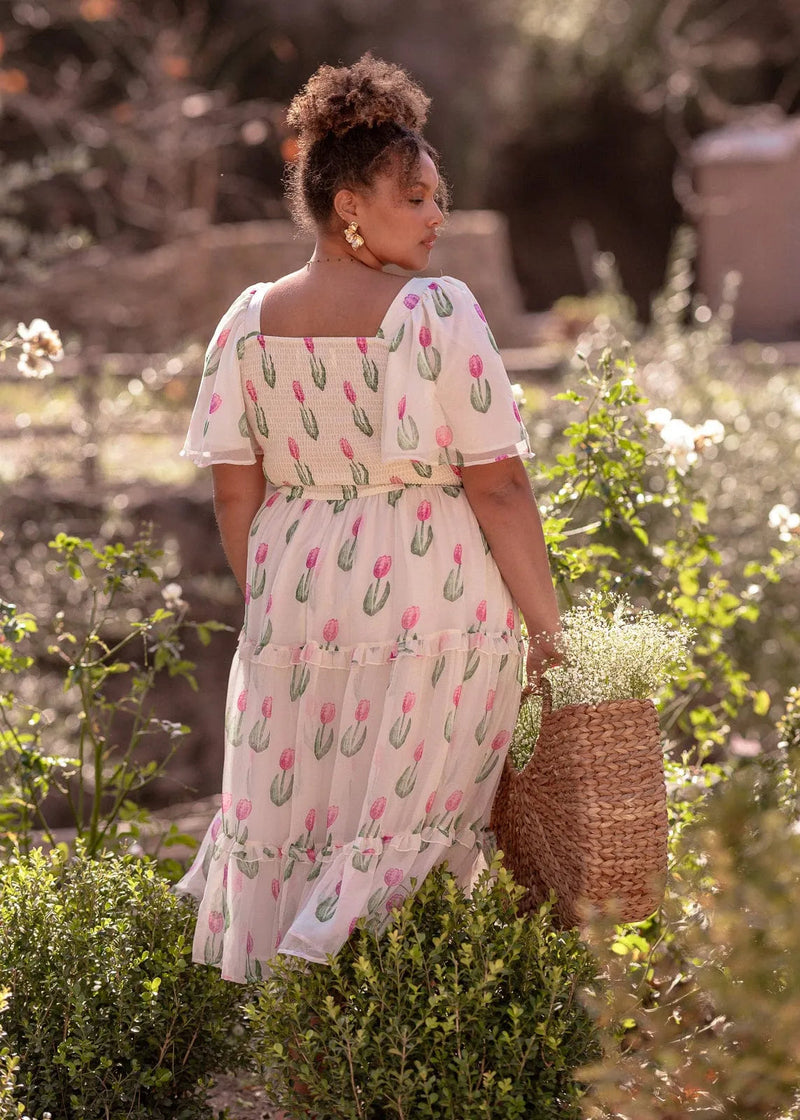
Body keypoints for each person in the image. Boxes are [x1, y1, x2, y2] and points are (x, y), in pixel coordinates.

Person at [176, 54, 561, 986]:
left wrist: (279, 595)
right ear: (350, 204)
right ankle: (399, 1028)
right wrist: (552, 630)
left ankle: (307, 1026)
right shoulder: (436, 310)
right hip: (433, 598)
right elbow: (499, 486)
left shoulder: (247, 319)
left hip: (293, 591)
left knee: (309, 811)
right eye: (418, 199)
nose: (439, 218)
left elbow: (237, 492)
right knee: (418, 813)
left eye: (440, 198)